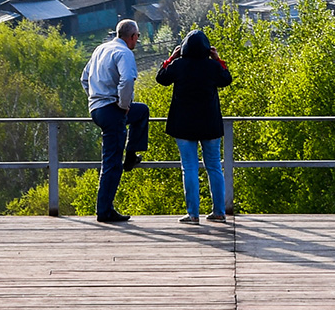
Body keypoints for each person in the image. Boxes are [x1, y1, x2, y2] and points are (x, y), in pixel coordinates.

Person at [155, 28, 233, 223]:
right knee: (214, 166)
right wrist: (217, 59)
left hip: (183, 124)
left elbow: (161, 78)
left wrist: (171, 58)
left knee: (189, 167)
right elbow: (227, 79)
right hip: (210, 124)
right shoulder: (212, 67)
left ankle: (193, 214)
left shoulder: (179, 65)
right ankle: (219, 211)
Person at [81, 19, 150, 223]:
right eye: (137, 36)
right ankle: (104, 210)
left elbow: (84, 78)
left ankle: (131, 154)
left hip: (98, 109)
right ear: (131, 36)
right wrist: (123, 104)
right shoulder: (124, 53)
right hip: (112, 110)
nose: (137, 40)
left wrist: (95, 97)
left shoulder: (100, 49)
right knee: (111, 162)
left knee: (142, 112)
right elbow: (127, 80)